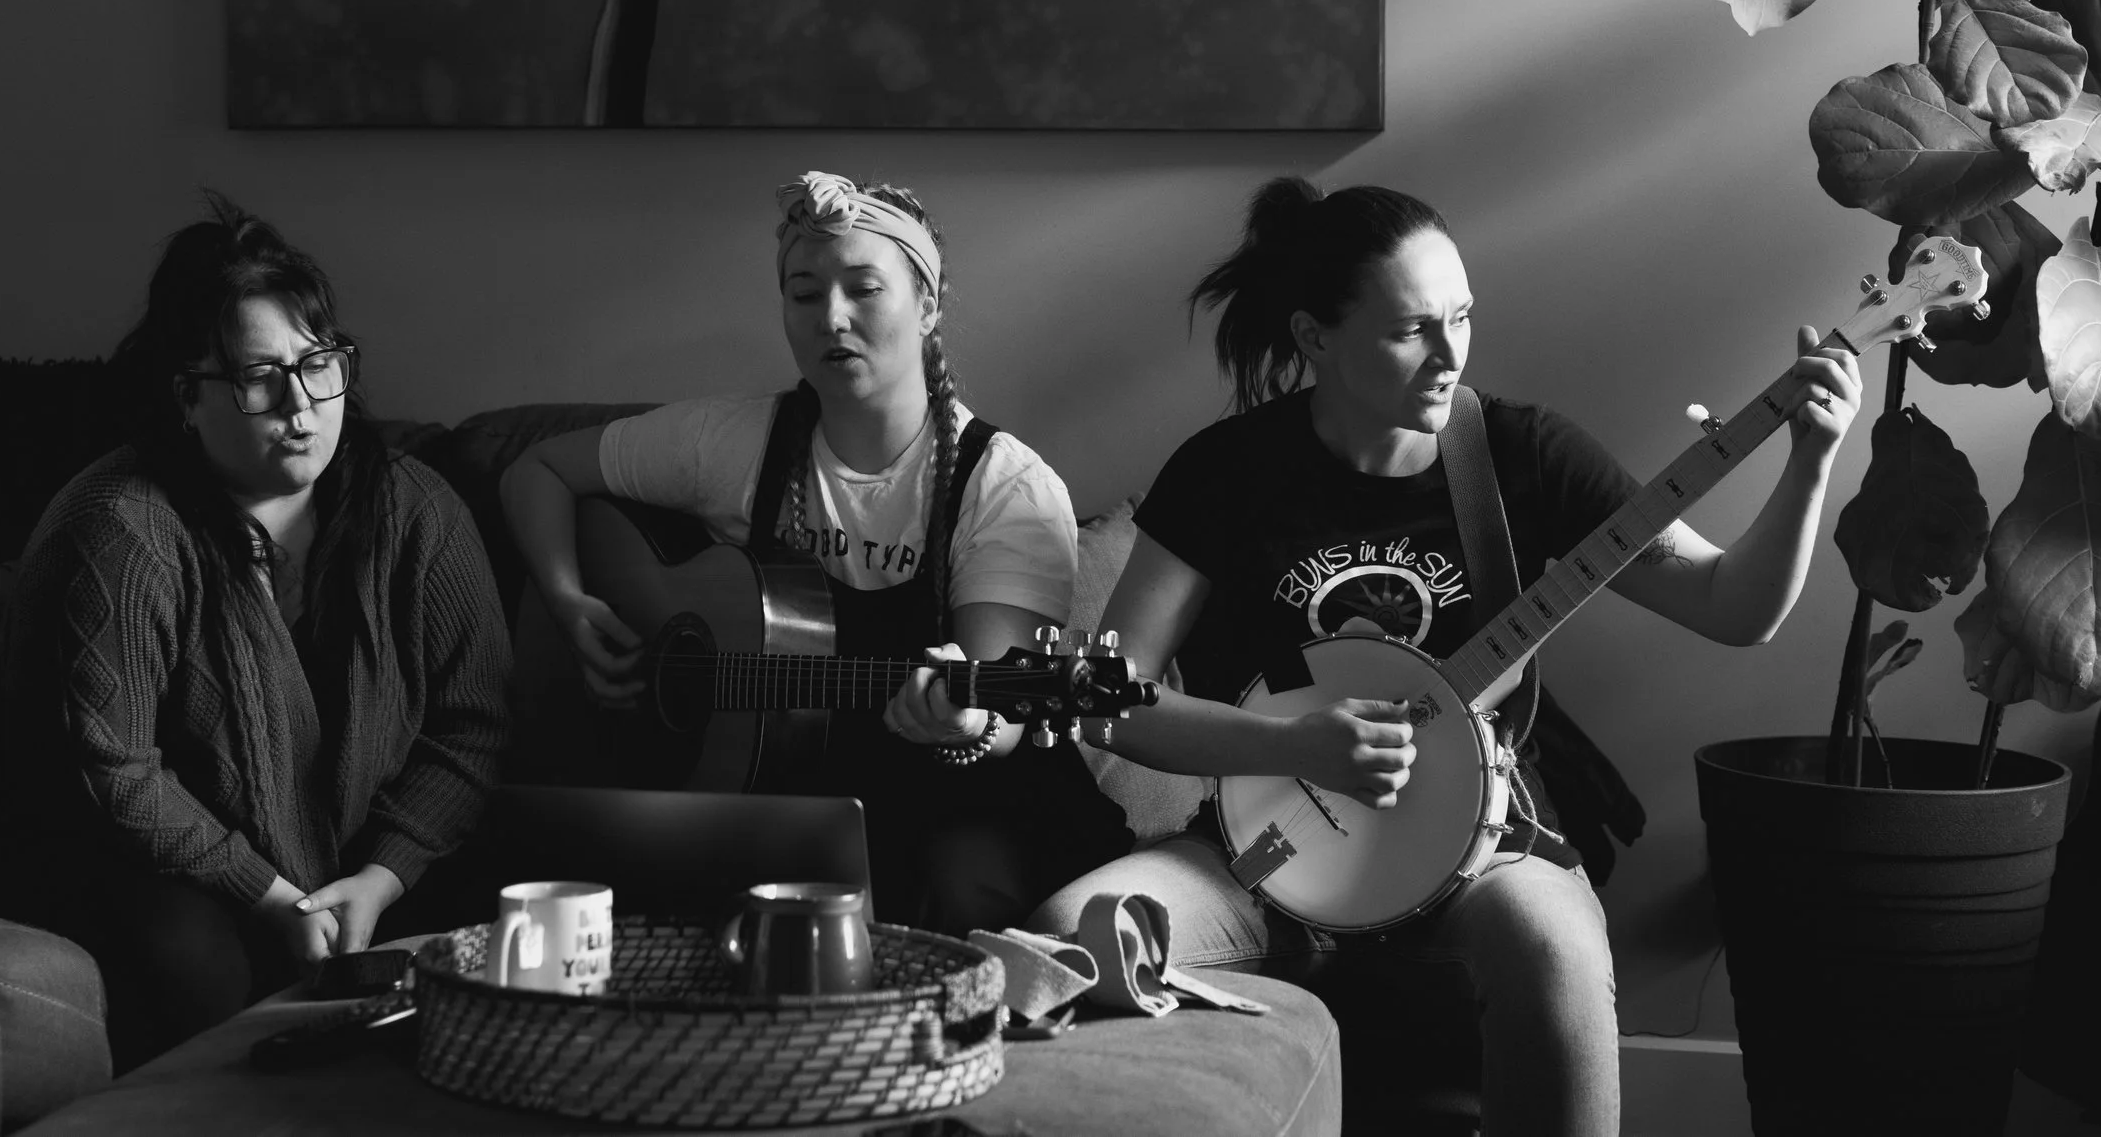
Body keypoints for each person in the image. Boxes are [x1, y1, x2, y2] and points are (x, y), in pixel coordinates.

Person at [1027, 177, 1862, 1137]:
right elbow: (1108, 701)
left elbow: (1733, 607)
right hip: (1265, 848)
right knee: (1069, 935)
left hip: (1486, 846)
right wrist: (1296, 745)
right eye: (1409, 330)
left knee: (1551, 943)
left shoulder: (1520, 453)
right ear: (1313, 339)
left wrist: (1810, 460)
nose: (1450, 353)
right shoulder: (1227, 473)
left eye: (1461, 316)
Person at [501, 170, 1132, 935]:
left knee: (955, 886)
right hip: (785, 794)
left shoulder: (1005, 486)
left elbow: (998, 715)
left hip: (961, 802)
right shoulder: (731, 442)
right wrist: (570, 603)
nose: (832, 317)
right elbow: (536, 471)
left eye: (863, 288)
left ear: (928, 306)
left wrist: (966, 723)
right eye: (804, 294)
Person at [0, 197, 511, 1067]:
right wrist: (272, 897)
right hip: (170, 862)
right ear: (187, 397)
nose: (300, 404)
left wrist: (380, 879)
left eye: (320, 364)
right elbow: (115, 772)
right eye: (258, 377)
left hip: (364, 865)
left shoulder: (417, 511)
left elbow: (475, 724)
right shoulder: (118, 530)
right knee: (192, 966)